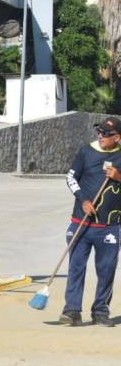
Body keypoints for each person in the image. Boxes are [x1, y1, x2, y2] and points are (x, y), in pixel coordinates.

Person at [60, 117, 121, 327]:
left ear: (118, 138)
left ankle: (101, 311)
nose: (101, 136)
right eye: (99, 132)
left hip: (109, 227)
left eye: (106, 134)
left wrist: (118, 177)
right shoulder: (86, 151)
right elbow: (70, 178)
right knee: (76, 267)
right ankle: (72, 311)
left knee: (106, 271)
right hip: (81, 222)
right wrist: (83, 200)